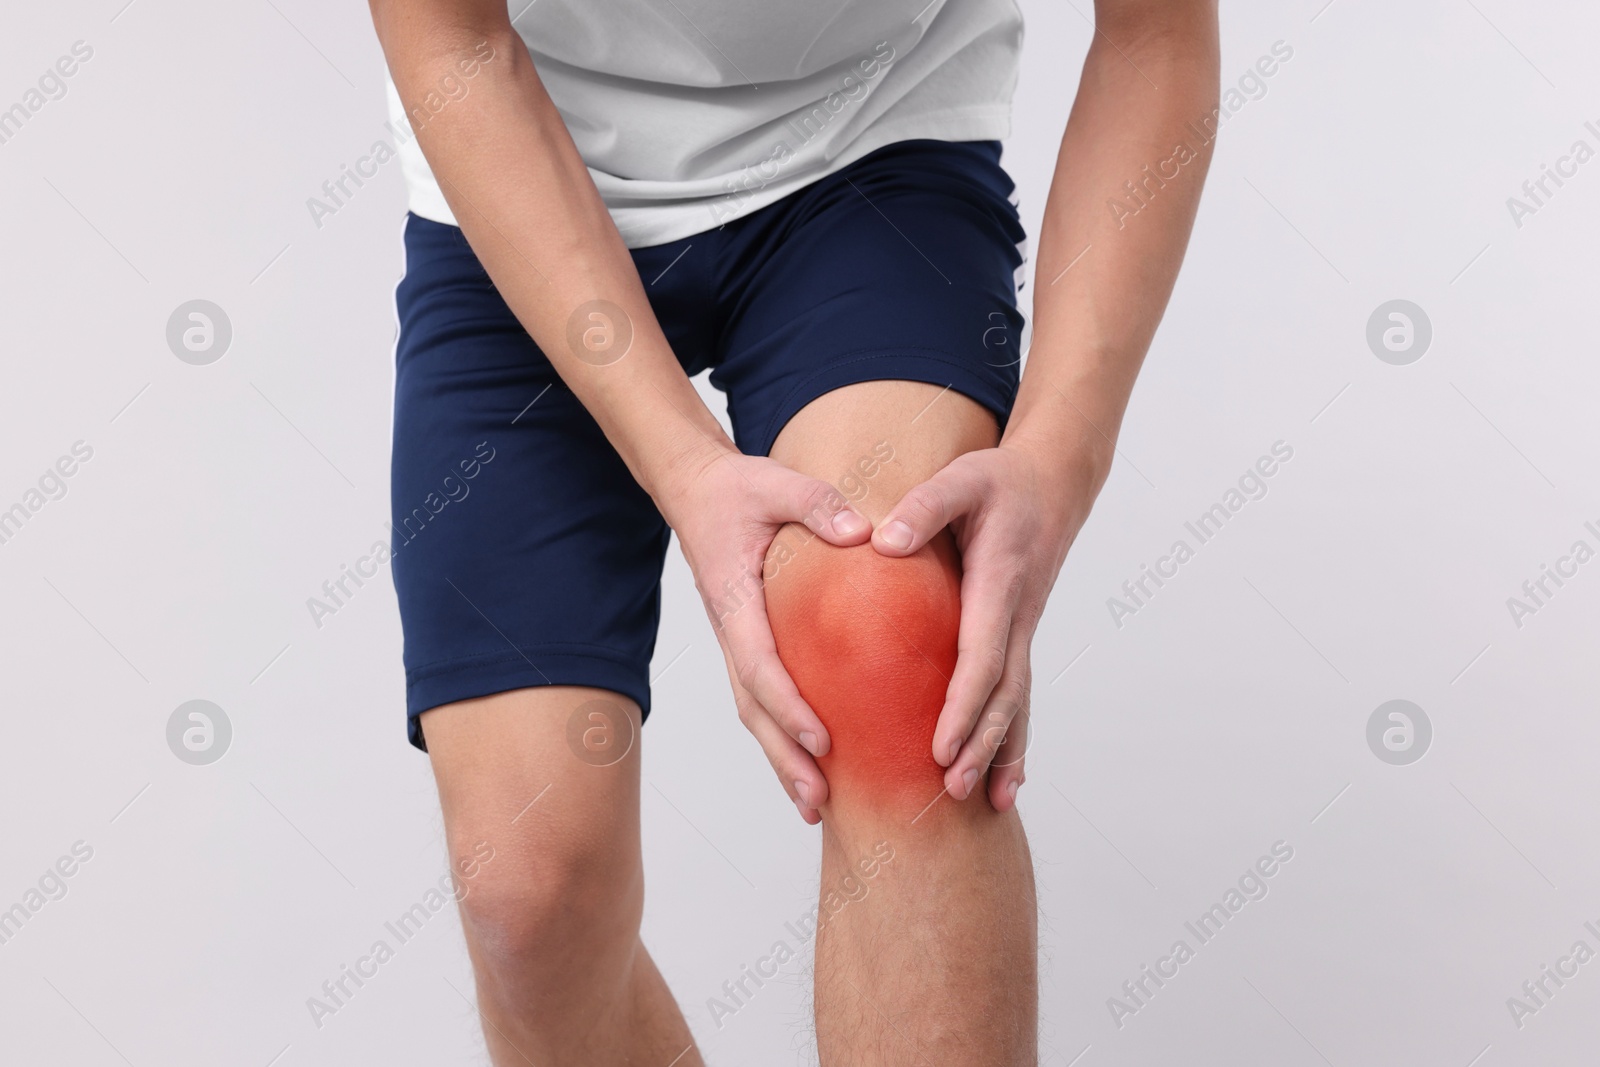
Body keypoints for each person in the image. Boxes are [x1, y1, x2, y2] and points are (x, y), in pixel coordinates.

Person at [368, 0, 1218, 1061]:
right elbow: (454, 40)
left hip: (866, 143)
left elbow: (1154, 34)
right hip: (522, 162)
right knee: (528, 889)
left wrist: (1061, 452)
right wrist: (683, 468)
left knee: (894, 650)